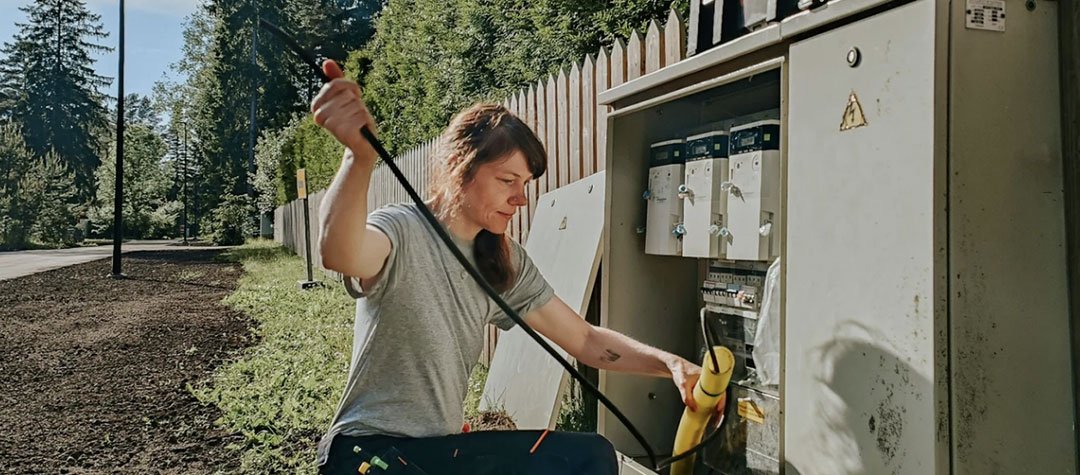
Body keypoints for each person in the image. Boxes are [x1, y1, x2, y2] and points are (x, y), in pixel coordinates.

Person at [311, 59, 708, 475]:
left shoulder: (502, 260)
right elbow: (339, 253)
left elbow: (586, 340)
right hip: (366, 453)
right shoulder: (402, 229)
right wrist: (358, 158)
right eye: (507, 181)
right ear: (458, 169)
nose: (520, 198)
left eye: (525, 184)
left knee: (591, 455)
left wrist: (671, 365)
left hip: (440, 454)